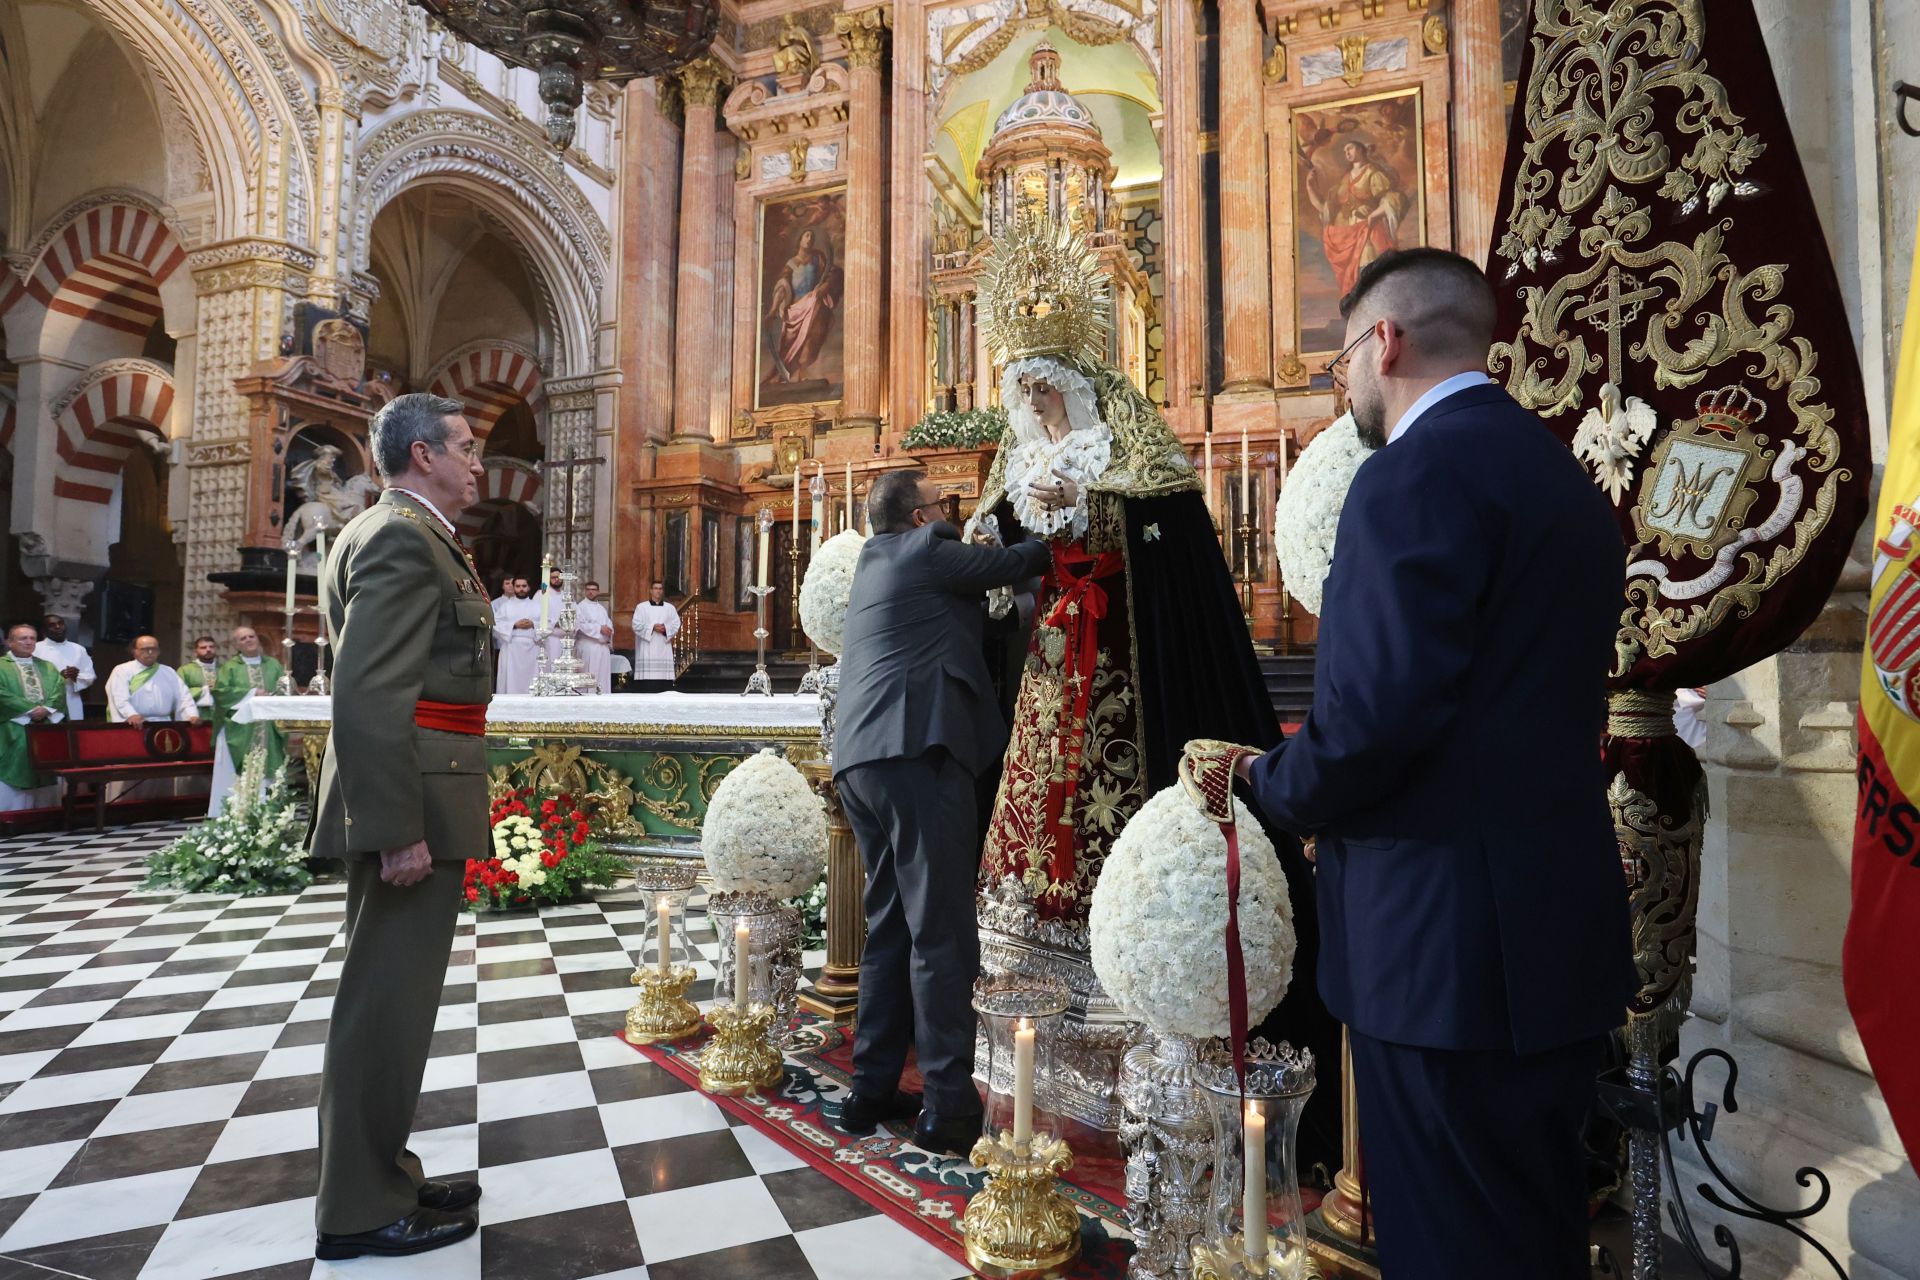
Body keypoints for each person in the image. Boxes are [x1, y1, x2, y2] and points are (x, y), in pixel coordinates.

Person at [1235, 248, 1635, 1278]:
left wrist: (1263, 782)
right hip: (1555, 932)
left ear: (1386, 340)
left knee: (1451, 1245)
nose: (1346, 389)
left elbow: (1372, 722)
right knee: (1536, 1232)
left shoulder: (1408, 476)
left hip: (1441, 953)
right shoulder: (1560, 475)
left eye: (1341, 364)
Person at [967, 216, 1338, 1160]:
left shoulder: (1126, 450)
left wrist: (1091, 522)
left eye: (1048, 385)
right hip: (1050, 666)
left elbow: (1166, 551)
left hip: (1121, 668)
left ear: (1078, 381)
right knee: (1034, 819)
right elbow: (1002, 543)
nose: (1036, 401)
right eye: (1025, 387)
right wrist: (1000, 541)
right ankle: (1031, 1034)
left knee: (1100, 808)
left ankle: (1135, 1030)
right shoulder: (1023, 455)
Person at [309, 392, 491, 1261]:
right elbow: (370, 693)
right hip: (410, 797)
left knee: (395, 1002)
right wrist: (395, 827)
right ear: (424, 455)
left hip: (419, 787)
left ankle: (384, 1173)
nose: (477, 463)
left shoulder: (406, 533)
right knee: (384, 1005)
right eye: (466, 447)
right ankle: (357, 1207)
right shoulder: (399, 538)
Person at [833, 468, 1053, 1156]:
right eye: (941, 504)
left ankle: (870, 1089)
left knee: (890, 927)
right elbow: (1023, 561)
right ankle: (949, 1105)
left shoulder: (873, 561)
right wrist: (1045, 518)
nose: (948, 512)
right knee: (941, 933)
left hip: (860, 762)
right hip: (915, 755)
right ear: (920, 518)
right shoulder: (929, 549)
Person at [104, 636, 203, 801]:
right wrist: (131, 714)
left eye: (153, 649)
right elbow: (119, 697)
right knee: (132, 770)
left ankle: (161, 804)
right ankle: (124, 806)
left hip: (163, 727)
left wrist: (191, 715)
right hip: (135, 727)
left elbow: (183, 697)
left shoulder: (168, 672)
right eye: (144, 649)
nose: (149, 652)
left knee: (162, 770)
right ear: (134, 651)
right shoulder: (122, 670)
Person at [206, 625, 285, 817]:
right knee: (243, 771)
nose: (249, 640)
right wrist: (252, 693)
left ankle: (271, 811)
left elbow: (284, 687)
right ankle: (238, 811)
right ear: (236, 645)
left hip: (269, 727)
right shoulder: (230, 668)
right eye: (243, 638)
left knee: (270, 768)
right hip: (241, 729)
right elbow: (221, 693)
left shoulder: (273, 664)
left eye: (251, 636)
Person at [0, 623, 67, 811]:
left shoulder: (48, 667)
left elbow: (59, 690)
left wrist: (46, 709)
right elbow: (2, 694)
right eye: (23, 638)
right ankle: (12, 815)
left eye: (32, 638)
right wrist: (29, 710)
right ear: (9, 642)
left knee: (46, 768)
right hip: (13, 727)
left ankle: (45, 815)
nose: (29, 642)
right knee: (13, 768)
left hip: (44, 728)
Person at [34, 613, 94, 720]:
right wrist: (58, 677)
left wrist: (76, 677)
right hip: (44, 703)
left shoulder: (78, 649)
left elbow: (90, 676)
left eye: (60, 623)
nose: (58, 627)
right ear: (44, 630)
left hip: (71, 699)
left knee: (72, 730)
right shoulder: (35, 649)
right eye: (52, 625)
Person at [491, 576, 540, 694]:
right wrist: (514, 625)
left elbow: (547, 624)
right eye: (518, 586)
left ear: (529, 587)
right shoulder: (506, 606)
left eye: (524, 586)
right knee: (510, 680)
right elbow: (495, 624)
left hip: (532, 647)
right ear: (513, 587)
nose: (521, 589)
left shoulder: (537, 606)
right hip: (511, 647)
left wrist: (533, 624)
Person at [630, 581, 679, 693]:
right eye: (656, 588)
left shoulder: (670, 608)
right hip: (647, 646)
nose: (658, 591)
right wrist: (652, 627)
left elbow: (676, 624)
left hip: (663, 646)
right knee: (648, 683)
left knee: (664, 684)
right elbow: (636, 625)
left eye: (660, 588)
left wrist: (665, 628)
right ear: (651, 591)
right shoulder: (641, 607)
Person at [572, 580, 614, 694]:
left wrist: (609, 631)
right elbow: (580, 625)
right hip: (588, 646)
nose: (591, 592)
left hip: (602, 648)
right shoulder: (580, 607)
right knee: (588, 675)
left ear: (598, 592)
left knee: (602, 677)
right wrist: (599, 628)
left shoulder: (601, 608)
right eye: (588, 590)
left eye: (593, 590)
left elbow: (608, 624)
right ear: (585, 591)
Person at [179, 635, 220, 712]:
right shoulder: (185, 670)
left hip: (220, 713)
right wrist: (204, 690)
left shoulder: (224, 669)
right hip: (195, 713)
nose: (208, 649)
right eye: (203, 648)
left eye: (211, 647)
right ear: (195, 651)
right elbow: (179, 693)